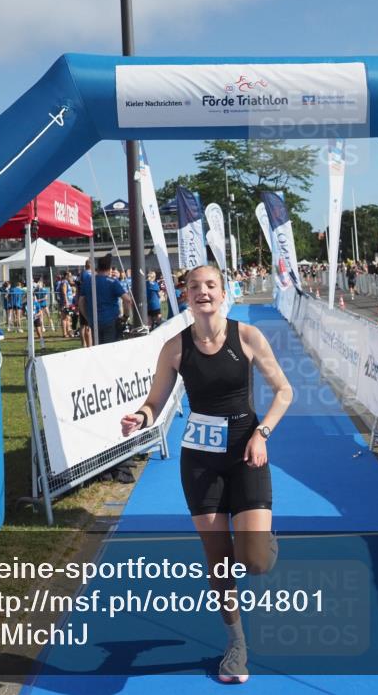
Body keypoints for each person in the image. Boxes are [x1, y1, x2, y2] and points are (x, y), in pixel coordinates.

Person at [120, 264, 293, 684]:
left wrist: (262, 433)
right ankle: (236, 645)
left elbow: (285, 391)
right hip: (199, 461)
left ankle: (262, 542)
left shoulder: (247, 337)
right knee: (218, 561)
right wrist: (140, 418)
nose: (203, 292)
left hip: (246, 454)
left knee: (252, 561)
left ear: (223, 292)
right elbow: (155, 400)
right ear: (186, 296)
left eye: (210, 286)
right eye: (194, 287)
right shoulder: (174, 348)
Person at [78, 254, 132, 344]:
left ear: (97, 267)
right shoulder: (113, 282)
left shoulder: (88, 281)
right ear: (109, 268)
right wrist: (126, 316)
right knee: (110, 349)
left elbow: (81, 302)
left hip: (94, 321)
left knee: (98, 349)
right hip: (110, 321)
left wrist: (88, 317)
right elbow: (127, 300)